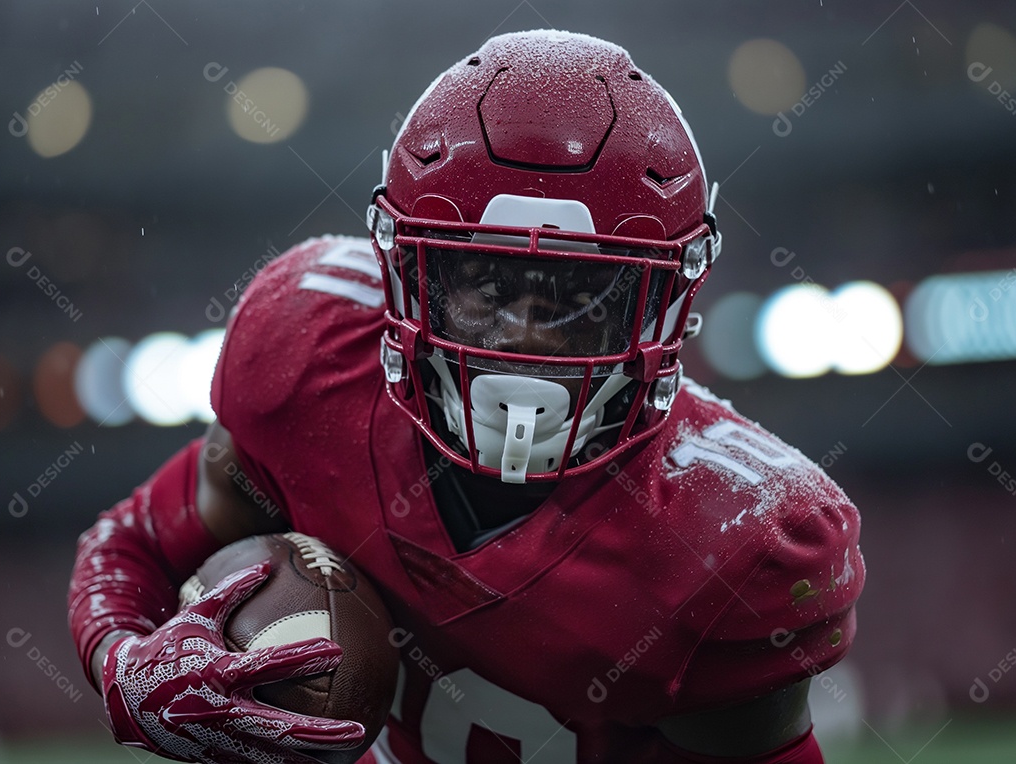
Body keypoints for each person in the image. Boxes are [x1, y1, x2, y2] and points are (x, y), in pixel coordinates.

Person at [69, 30, 864, 764]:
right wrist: (124, 666)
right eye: (485, 285)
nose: (523, 338)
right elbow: (133, 545)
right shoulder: (310, 364)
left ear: (660, 309)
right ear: (408, 279)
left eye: (577, 299)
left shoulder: (729, 539)